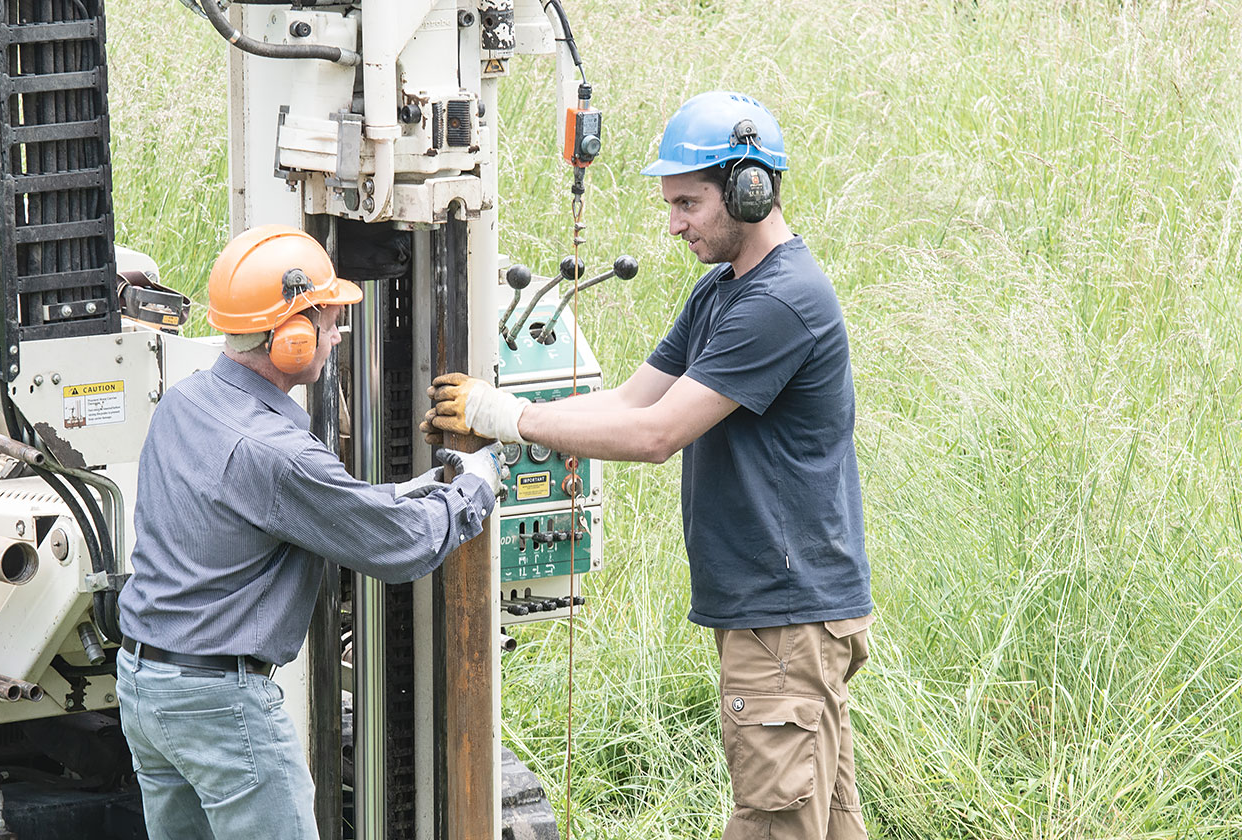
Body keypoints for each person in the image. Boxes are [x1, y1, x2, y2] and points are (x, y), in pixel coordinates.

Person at [424, 91, 873, 840]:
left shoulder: (781, 303)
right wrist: (505, 409)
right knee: (823, 824)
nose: (673, 225)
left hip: (785, 621)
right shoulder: (721, 294)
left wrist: (509, 420)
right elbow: (629, 400)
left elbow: (658, 434)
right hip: (783, 614)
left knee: (776, 825)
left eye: (688, 203)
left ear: (749, 188)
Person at [115, 224, 501, 840]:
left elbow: (287, 509)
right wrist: (475, 487)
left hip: (146, 684)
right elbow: (401, 547)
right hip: (221, 708)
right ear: (291, 337)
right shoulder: (278, 453)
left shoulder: (184, 402)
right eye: (329, 321)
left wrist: (400, 495)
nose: (340, 334)